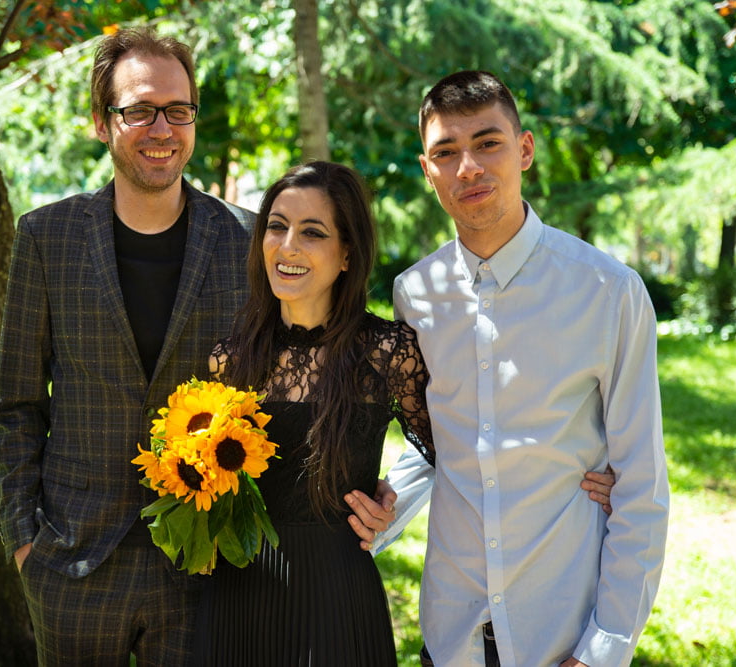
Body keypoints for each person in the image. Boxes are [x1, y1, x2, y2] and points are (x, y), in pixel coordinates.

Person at [194, 161, 616, 666]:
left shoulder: (387, 353)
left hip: (337, 593)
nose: (288, 246)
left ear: (347, 253)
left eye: (312, 232)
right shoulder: (230, 359)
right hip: (240, 590)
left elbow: (461, 450)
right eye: (277, 227)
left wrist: (583, 471)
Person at [368, 70, 670, 666]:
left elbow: (642, 487)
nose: (468, 168)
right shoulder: (415, 293)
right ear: (427, 171)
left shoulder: (609, 291)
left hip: (559, 632)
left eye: (488, 143)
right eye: (445, 153)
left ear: (524, 149)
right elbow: (436, 440)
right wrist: (381, 516)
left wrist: (605, 650)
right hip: (451, 633)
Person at [0, 28, 255, 664]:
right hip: (73, 560)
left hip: (203, 565)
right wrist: (24, 539)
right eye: (138, 110)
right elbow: (16, 402)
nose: (161, 127)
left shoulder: (245, 240)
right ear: (101, 124)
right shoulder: (46, 238)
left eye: (178, 110)